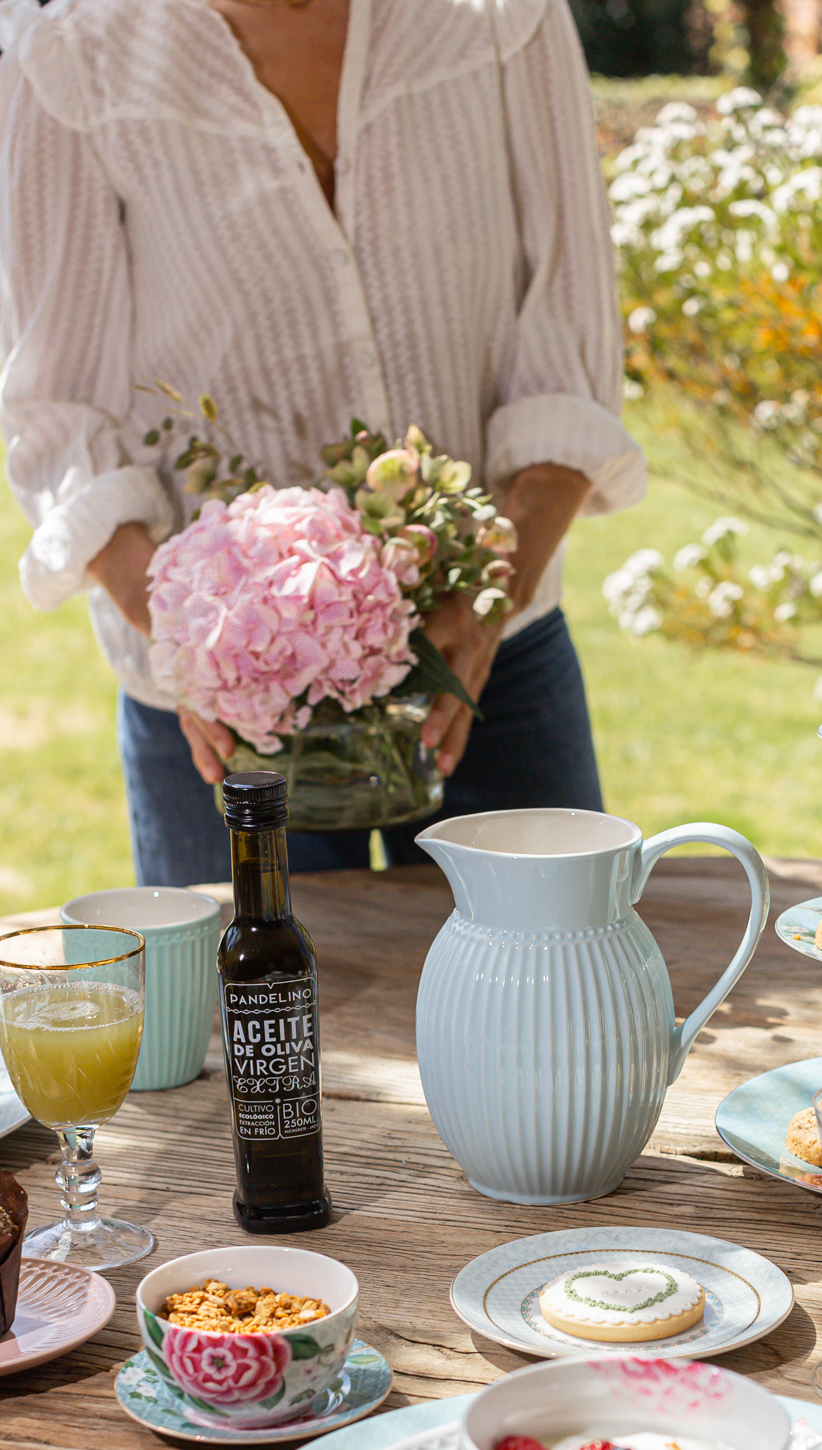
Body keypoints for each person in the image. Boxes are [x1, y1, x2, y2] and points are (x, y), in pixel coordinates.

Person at [0, 0, 645, 882]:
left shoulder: (502, 18)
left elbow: (567, 339)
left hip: (496, 670)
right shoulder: (73, 59)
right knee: (266, 1018)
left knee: (557, 1009)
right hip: (229, 722)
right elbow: (59, 405)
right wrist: (202, 653)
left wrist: (492, 592)